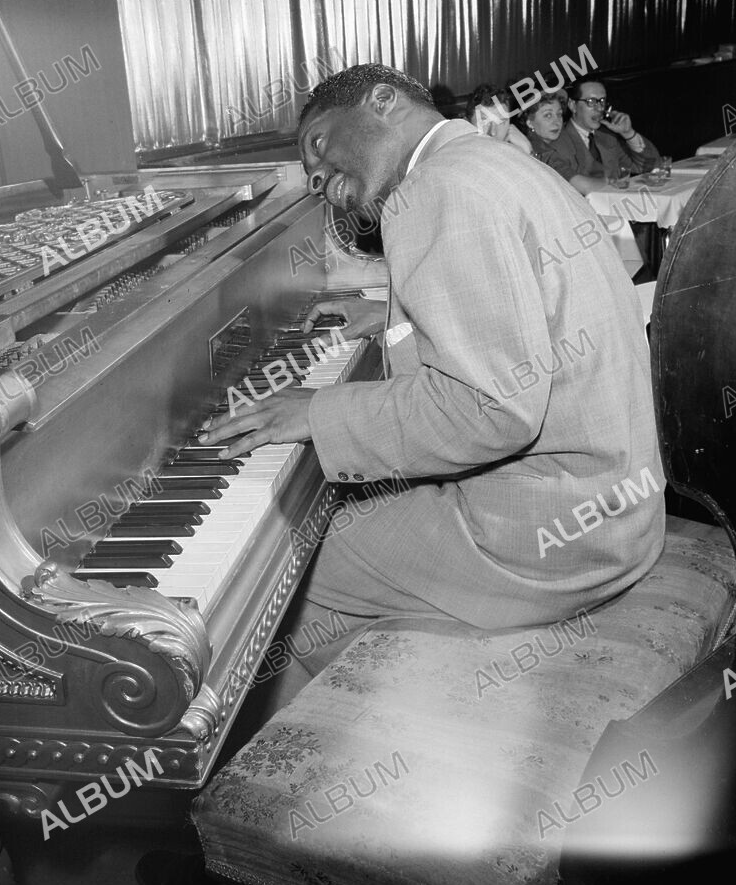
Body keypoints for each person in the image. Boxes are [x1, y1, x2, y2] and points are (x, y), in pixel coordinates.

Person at [198, 62, 666, 689]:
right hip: (620, 510)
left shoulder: (433, 191)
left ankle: (352, 748)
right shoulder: (487, 163)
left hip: (548, 541)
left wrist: (316, 411)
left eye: (318, 144)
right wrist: (394, 314)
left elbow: (489, 411)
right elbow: (512, 307)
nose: (315, 176)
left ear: (383, 101)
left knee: (275, 572)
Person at [539, 74, 660, 195]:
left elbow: (651, 166)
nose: (599, 108)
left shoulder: (607, 136)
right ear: (572, 105)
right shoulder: (557, 143)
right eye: (591, 102)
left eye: (602, 101)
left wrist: (628, 134)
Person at [464, 82, 533, 155]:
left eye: (501, 122)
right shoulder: (458, 157)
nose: (493, 132)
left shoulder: (515, 151)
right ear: (467, 124)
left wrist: (528, 152)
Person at [522, 91, 565, 159]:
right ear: (530, 123)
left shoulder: (562, 144)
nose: (557, 122)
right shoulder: (527, 151)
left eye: (559, 114)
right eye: (548, 115)